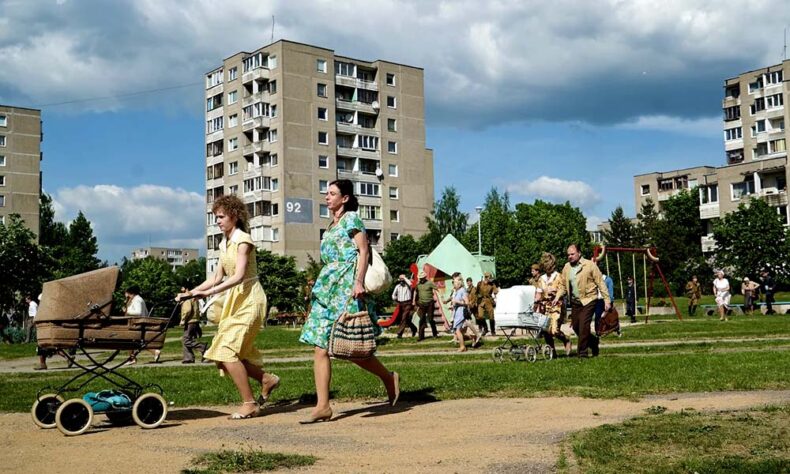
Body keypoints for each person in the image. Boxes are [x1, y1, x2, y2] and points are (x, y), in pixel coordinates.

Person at [298, 180, 399, 423]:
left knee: (352, 348)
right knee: (320, 346)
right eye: (326, 193)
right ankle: (323, 406)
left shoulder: (352, 219)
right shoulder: (331, 225)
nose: (327, 197)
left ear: (344, 198)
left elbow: (364, 251)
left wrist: (358, 282)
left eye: (332, 193)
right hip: (328, 288)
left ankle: (388, 377)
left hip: (347, 287)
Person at [177, 195, 279, 420]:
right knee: (224, 354)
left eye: (221, 217)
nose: (218, 221)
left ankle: (250, 403)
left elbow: (240, 275)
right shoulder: (224, 243)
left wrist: (209, 293)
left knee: (226, 350)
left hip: (251, 299)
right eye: (216, 217)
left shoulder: (243, 240)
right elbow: (217, 276)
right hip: (236, 301)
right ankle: (266, 380)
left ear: (234, 215)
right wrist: (191, 293)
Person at [553, 244, 610, 358]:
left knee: (584, 325)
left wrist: (607, 300)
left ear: (579, 253)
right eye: (568, 254)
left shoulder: (589, 265)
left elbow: (600, 283)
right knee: (576, 327)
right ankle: (593, 341)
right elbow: (563, 286)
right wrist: (557, 297)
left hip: (589, 299)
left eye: (572, 254)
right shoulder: (566, 267)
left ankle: (582, 354)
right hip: (575, 302)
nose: (570, 256)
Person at [536, 252, 571, 356]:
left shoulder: (559, 276)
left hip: (557, 306)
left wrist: (556, 296)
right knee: (546, 331)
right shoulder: (541, 279)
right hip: (545, 307)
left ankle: (566, 340)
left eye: (550, 267)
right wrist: (536, 301)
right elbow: (538, 293)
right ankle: (552, 351)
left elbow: (562, 290)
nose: (548, 269)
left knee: (554, 330)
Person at [124, 286, 161, 365]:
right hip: (137, 324)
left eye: (126, 292)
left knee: (131, 341)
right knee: (135, 341)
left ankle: (132, 359)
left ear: (130, 293)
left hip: (137, 324)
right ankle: (154, 352)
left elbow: (138, 312)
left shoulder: (137, 300)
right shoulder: (137, 299)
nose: (125, 294)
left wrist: (128, 311)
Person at [179, 287, 208, 364]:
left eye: (182, 287)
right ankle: (188, 357)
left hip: (190, 321)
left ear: (186, 288)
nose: (181, 289)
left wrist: (183, 320)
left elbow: (187, 310)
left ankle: (203, 348)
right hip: (194, 321)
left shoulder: (187, 297)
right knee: (185, 339)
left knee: (186, 340)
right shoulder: (194, 297)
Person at [413, 271, 439, 340]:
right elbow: (415, 292)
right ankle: (421, 337)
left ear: (425, 277)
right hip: (422, 304)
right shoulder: (418, 284)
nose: (421, 279)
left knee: (430, 319)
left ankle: (435, 333)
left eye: (422, 278)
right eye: (420, 278)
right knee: (421, 320)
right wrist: (413, 301)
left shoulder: (430, 283)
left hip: (430, 303)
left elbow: (437, 289)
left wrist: (441, 297)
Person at [449, 276, 470, 352]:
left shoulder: (462, 291)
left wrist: (457, 302)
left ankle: (462, 347)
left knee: (457, 330)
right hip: (457, 312)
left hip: (461, 313)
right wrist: (453, 305)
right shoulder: (458, 291)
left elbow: (467, 302)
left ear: (458, 284)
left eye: (454, 283)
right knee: (458, 330)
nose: (453, 285)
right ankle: (471, 339)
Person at [476, 272, 498, 336]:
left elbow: (496, 291)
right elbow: (476, 292)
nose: (490, 279)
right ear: (486, 277)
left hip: (489, 301)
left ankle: (493, 331)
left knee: (491, 317)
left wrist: (495, 286)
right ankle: (485, 329)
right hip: (481, 301)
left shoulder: (492, 284)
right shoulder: (479, 283)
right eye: (489, 277)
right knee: (480, 316)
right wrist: (478, 297)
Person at [593, 269, 615, 334]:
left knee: (608, 316)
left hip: (605, 300)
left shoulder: (608, 280)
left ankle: (613, 329)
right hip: (597, 300)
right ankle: (598, 331)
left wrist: (610, 301)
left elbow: (610, 291)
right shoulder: (595, 280)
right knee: (598, 316)